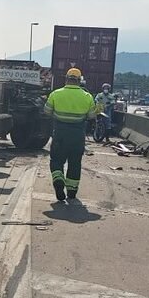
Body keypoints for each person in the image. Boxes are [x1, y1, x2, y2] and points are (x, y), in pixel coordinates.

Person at [44, 67, 97, 201]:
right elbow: (91, 116)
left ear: (66, 79)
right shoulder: (87, 97)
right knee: (75, 163)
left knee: (56, 160)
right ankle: (72, 192)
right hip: (77, 135)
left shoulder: (56, 94)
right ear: (80, 81)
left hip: (60, 134)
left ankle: (58, 180)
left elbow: (46, 112)